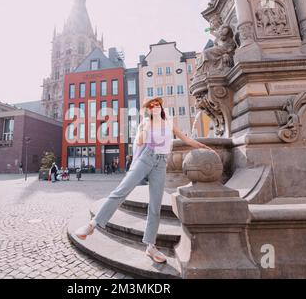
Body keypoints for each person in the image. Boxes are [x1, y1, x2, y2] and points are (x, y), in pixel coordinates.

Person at [75, 97, 216, 264]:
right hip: (146, 158)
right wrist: (147, 125)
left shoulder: (169, 123)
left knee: (155, 205)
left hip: (161, 164)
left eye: (157, 105)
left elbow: (186, 140)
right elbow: (141, 141)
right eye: (151, 106)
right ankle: (92, 225)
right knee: (121, 190)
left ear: (161, 107)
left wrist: (204, 147)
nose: (155, 107)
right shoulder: (145, 124)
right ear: (149, 110)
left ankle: (150, 246)